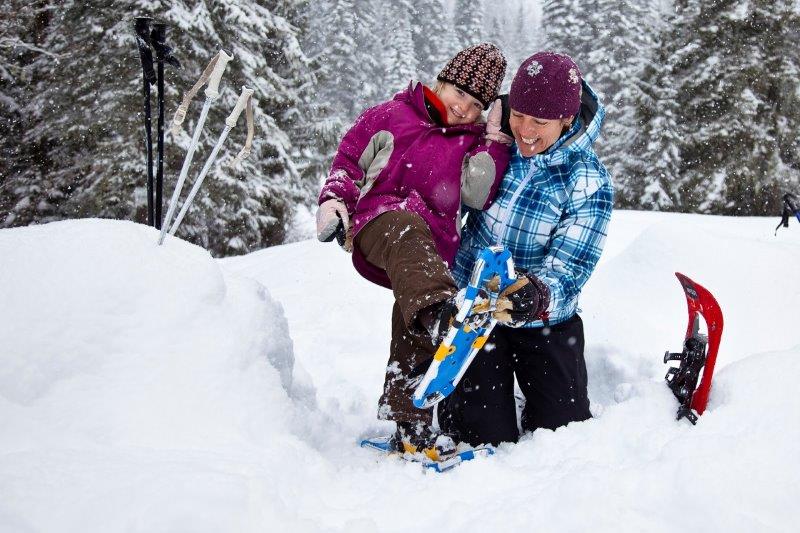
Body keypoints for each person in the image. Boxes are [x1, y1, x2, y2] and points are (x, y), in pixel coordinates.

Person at [316, 43, 512, 459]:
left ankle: (412, 428)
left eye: (476, 104)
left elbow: (477, 195)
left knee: (415, 319)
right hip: (379, 226)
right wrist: (335, 201)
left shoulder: (473, 140)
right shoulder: (391, 116)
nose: (463, 109)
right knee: (416, 256)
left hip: (428, 253)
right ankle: (441, 316)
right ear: (441, 82)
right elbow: (349, 160)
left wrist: (494, 141)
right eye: (459, 93)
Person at [439, 52, 614, 446]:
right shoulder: (497, 141)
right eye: (519, 114)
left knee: (563, 433)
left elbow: (571, 268)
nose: (525, 130)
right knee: (481, 436)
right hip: (477, 308)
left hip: (544, 318)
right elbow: (446, 197)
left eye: (540, 121)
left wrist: (536, 294)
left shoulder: (587, 181)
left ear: (566, 120)